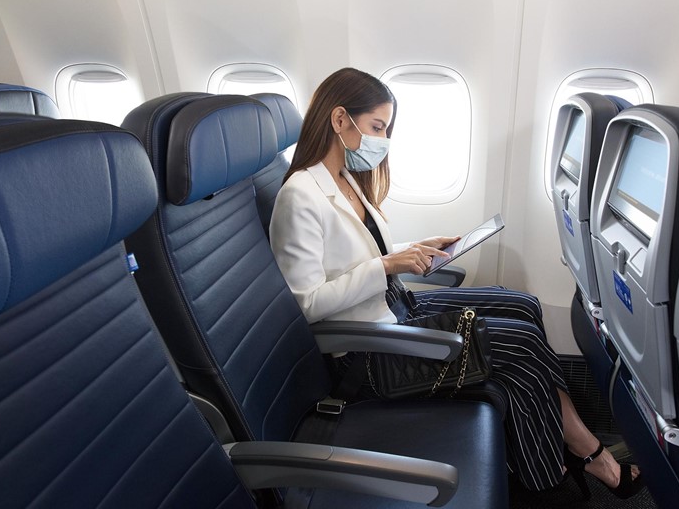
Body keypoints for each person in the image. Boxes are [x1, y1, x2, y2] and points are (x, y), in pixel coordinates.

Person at [269, 67, 641, 497]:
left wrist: (417, 247)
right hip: (369, 353)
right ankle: (563, 472)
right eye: (376, 127)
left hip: (395, 308)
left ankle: (556, 446)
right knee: (520, 345)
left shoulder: (345, 179)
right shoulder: (299, 195)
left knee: (521, 304)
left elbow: (358, 251)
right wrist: (389, 266)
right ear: (339, 120)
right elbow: (307, 304)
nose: (382, 140)